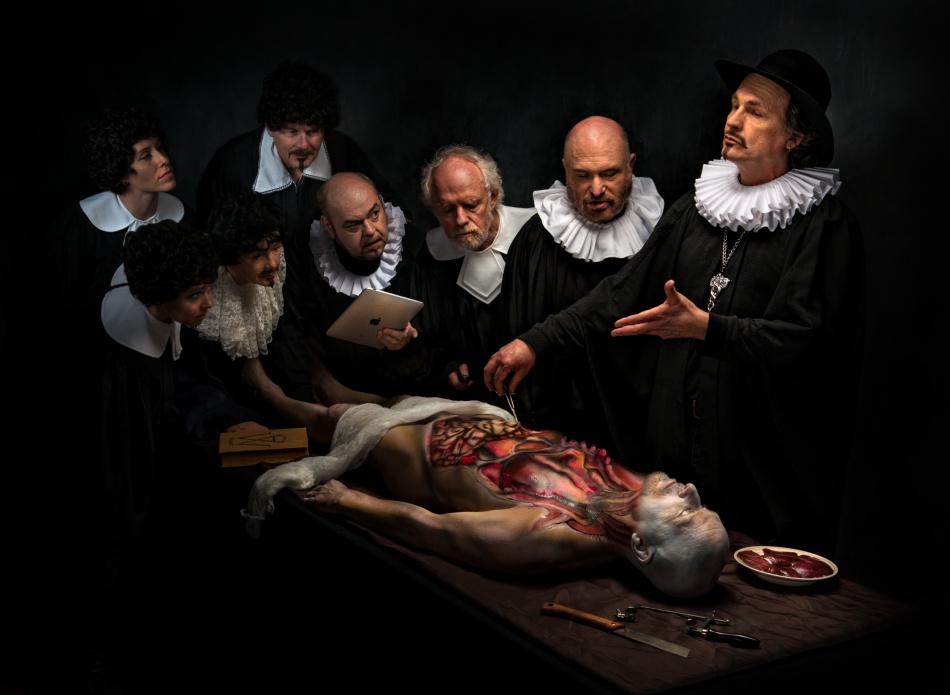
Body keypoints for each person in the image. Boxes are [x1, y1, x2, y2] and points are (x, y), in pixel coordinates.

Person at [484, 49, 866, 559]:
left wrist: (708, 328)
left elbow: (806, 345)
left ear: (794, 137)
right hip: (682, 465)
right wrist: (535, 342)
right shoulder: (696, 210)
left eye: (755, 111)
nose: (733, 120)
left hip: (762, 476)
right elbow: (619, 293)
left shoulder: (823, 226)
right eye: (734, 105)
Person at [238, 359, 731, 600]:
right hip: (477, 419)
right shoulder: (639, 493)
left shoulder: (543, 537)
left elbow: (430, 529)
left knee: (338, 418)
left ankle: (272, 397)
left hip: (417, 453)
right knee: (394, 401)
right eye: (701, 503)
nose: (690, 491)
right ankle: (332, 388)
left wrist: (349, 501)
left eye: (686, 513)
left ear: (641, 547)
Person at [196, 59, 420, 400]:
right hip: (265, 302)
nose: (304, 144)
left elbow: (391, 214)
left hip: (325, 304)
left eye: (313, 130)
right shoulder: (233, 166)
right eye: (291, 131)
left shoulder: (344, 152)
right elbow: (213, 248)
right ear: (269, 127)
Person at [61, 220, 216, 694]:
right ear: (160, 297)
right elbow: (120, 462)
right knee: (113, 539)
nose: (208, 303)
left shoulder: (152, 296)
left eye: (207, 288)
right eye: (195, 295)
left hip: (139, 444)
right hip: (107, 461)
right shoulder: (122, 363)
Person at [498, 115, 665, 450]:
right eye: (583, 175)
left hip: (638, 426)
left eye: (610, 173)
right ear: (565, 169)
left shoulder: (660, 234)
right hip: (554, 431)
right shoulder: (534, 240)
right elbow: (516, 334)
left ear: (631, 166)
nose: (597, 189)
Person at [41, 105, 197, 336]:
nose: (164, 159)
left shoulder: (185, 219)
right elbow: (55, 313)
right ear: (122, 173)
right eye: (146, 156)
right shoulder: (79, 230)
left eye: (159, 147)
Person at [409, 144, 536, 402]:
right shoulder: (432, 254)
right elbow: (428, 335)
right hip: (471, 401)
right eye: (447, 209)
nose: (460, 219)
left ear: (492, 197)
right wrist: (447, 365)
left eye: (470, 204)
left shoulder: (535, 236)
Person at [307, 171, 420, 402]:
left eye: (375, 214)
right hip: (345, 389)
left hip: (413, 382)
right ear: (329, 227)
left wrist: (413, 332)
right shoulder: (309, 258)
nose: (370, 231)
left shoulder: (414, 245)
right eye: (353, 225)